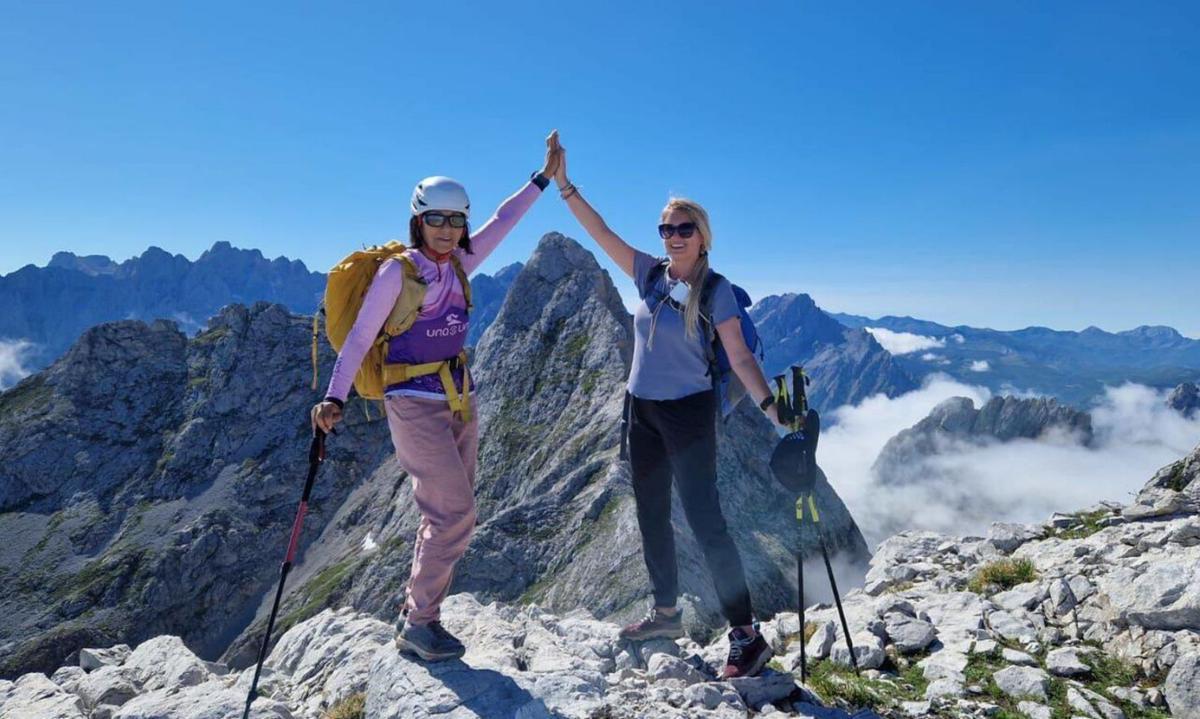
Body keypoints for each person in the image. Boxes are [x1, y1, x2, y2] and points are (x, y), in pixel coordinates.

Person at [310, 132, 561, 661]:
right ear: (417, 220)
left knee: (450, 513)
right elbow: (358, 337)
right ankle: (418, 623)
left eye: (456, 220)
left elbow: (504, 221)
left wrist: (542, 178)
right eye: (437, 219)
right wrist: (335, 398)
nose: (448, 230)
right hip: (411, 402)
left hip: (459, 398)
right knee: (453, 513)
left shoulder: (460, 265)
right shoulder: (396, 273)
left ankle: (420, 616)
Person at [553, 135, 785, 679]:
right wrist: (564, 185)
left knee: (706, 522)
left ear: (703, 237)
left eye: (684, 229)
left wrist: (775, 413)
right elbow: (601, 232)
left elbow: (742, 359)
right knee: (651, 512)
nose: (673, 237)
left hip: (688, 414)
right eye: (666, 229)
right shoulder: (649, 273)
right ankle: (665, 614)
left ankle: (746, 635)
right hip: (643, 412)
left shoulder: (717, 291)